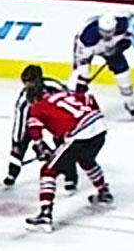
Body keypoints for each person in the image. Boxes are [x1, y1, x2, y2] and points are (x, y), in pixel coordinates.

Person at [20, 64, 114, 232]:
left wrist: (43, 150)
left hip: (80, 133)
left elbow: (35, 132)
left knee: (48, 170)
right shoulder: (63, 95)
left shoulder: (37, 108)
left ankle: (45, 214)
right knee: (86, 159)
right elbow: (89, 99)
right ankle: (103, 192)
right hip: (99, 126)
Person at [3, 73, 68, 188]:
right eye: (25, 82)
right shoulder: (24, 99)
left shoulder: (53, 87)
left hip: (54, 117)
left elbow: (69, 100)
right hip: (34, 118)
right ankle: (12, 172)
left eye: (30, 81)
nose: (28, 85)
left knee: (64, 143)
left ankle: (70, 174)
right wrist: (17, 142)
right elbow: (20, 120)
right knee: (21, 142)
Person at [71, 12, 134, 117]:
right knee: (79, 77)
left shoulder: (124, 25)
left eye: (109, 31)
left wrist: (122, 46)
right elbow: (82, 61)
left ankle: (129, 102)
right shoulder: (87, 38)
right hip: (91, 49)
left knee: (124, 75)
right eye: (103, 31)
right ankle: (77, 101)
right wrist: (82, 80)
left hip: (113, 49)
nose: (106, 35)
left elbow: (130, 37)